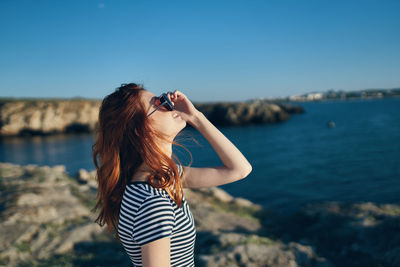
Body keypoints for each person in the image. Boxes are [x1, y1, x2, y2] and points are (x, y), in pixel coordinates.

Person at [92, 83, 252, 267]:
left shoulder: (162, 177)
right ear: (142, 130)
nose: (171, 104)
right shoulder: (152, 202)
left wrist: (197, 117)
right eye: (161, 103)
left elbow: (240, 170)